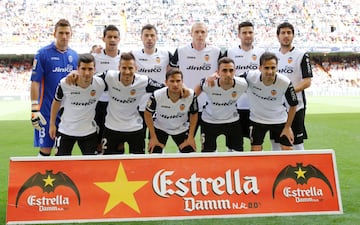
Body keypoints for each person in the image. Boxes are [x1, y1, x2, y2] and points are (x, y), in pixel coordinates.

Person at [30, 19, 78, 156]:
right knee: (45, 149)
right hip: (46, 110)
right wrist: (34, 108)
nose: (64, 36)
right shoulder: (43, 54)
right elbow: (35, 81)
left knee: (62, 150)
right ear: (54, 34)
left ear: (71, 34)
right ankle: (40, 176)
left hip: (66, 111)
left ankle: (60, 177)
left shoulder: (74, 55)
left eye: (67, 33)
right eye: (61, 33)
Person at [170, 22, 222, 134]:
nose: (200, 35)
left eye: (202, 32)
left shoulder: (216, 51)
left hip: (209, 105)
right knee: (186, 143)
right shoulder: (181, 51)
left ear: (207, 34)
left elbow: (223, 71)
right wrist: (180, 86)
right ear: (191, 34)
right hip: (187, 102)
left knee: (208, 144)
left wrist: (216, 76)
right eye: (196, 32)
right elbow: (171, 71)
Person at [49, 54, 105, 156]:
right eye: (83, 69)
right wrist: (52, 124)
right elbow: (56, 102)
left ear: (95, 69)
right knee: (61, 166)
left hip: (88, 132)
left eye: (90, 69)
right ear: (77, 69)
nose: (87, 73)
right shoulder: (65, 83)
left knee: (90, 168)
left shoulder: (101, 83)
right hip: (66, 130)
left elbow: (117, 77)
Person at [243, 52, 298, 151]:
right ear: (260, 68)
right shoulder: (249, 76)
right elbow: (233, 81)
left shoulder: (285, 82)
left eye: (273, 68)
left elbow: (293, 105)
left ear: (277, 68)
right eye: (266, 68)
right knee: (255, 150)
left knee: (287, 149)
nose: (270, 71)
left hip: (279, 120)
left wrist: (288, 127)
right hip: (257, 120)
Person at [271, 22, 313, 150]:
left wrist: (290, 91)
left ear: (293, 35)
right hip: (275, 107)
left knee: (296, 143)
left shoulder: (301, 55)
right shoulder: (272, 56)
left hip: (296, 106)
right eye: (283, 33)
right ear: (277, 36)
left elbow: (307, 81)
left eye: (289, 33)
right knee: (276, 143)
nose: (286, 35)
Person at [223, 21, 265, 145]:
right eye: (244, 32)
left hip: (255, 105)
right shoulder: (230, 52)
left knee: (256, 144)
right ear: (239, 35)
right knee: (234, 144)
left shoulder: (261, 53)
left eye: (250, 32)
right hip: (235, 104)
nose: (248, 35)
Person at [194, 57, 248, 152]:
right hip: (209, 121)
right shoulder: (209, 84)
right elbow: (193, 95)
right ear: (218, 72)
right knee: (208, 155)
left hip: (232, 121)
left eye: (231, 70)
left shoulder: (242, 84)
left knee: (237, 154)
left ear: (235, 71)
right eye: (224, 70)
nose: (228, 74)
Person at [144, 68, 198, 154]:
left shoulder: (190, 95)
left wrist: (191, 137)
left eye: (178, 81)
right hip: (160, 127)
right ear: (166, 82)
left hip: (181, 128)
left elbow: (194, 114)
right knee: (154, 155)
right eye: (172, 81)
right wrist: (153, 137)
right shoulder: (157, 95)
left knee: (190, 155)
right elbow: (147, 114)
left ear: (182, 82)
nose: (175, 84)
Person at [132, 24, 172, 138]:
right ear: (141, 37)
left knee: (156, 144)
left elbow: (174, 73)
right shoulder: (134, 54)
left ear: (157, 37)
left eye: (152, 35)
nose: (149, 38)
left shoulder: (166, 54)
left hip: (160, 105)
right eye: (146, 35)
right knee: (138, 143)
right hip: (139, 104)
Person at [92, 25, 121, 154]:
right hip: (98, 104)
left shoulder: (125, 58)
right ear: (103, 38)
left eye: (115, 37)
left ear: (119, 39)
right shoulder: (95, 57)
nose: (112, 40)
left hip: (117, 105)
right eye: (109, 37)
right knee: (97, 142)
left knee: (117, 141)